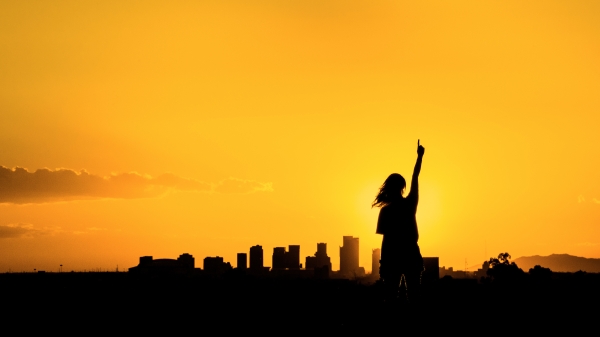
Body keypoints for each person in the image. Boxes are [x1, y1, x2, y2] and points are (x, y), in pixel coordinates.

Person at [372, 140, 425, 304]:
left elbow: (385, 241)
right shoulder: (409, 204)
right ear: (402, 187)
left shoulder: (386, 210)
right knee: (412, 296)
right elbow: (415, 177)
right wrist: (419, 157)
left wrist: (383, 263)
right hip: (409, 255)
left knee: (391, 297)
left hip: (394, 258)